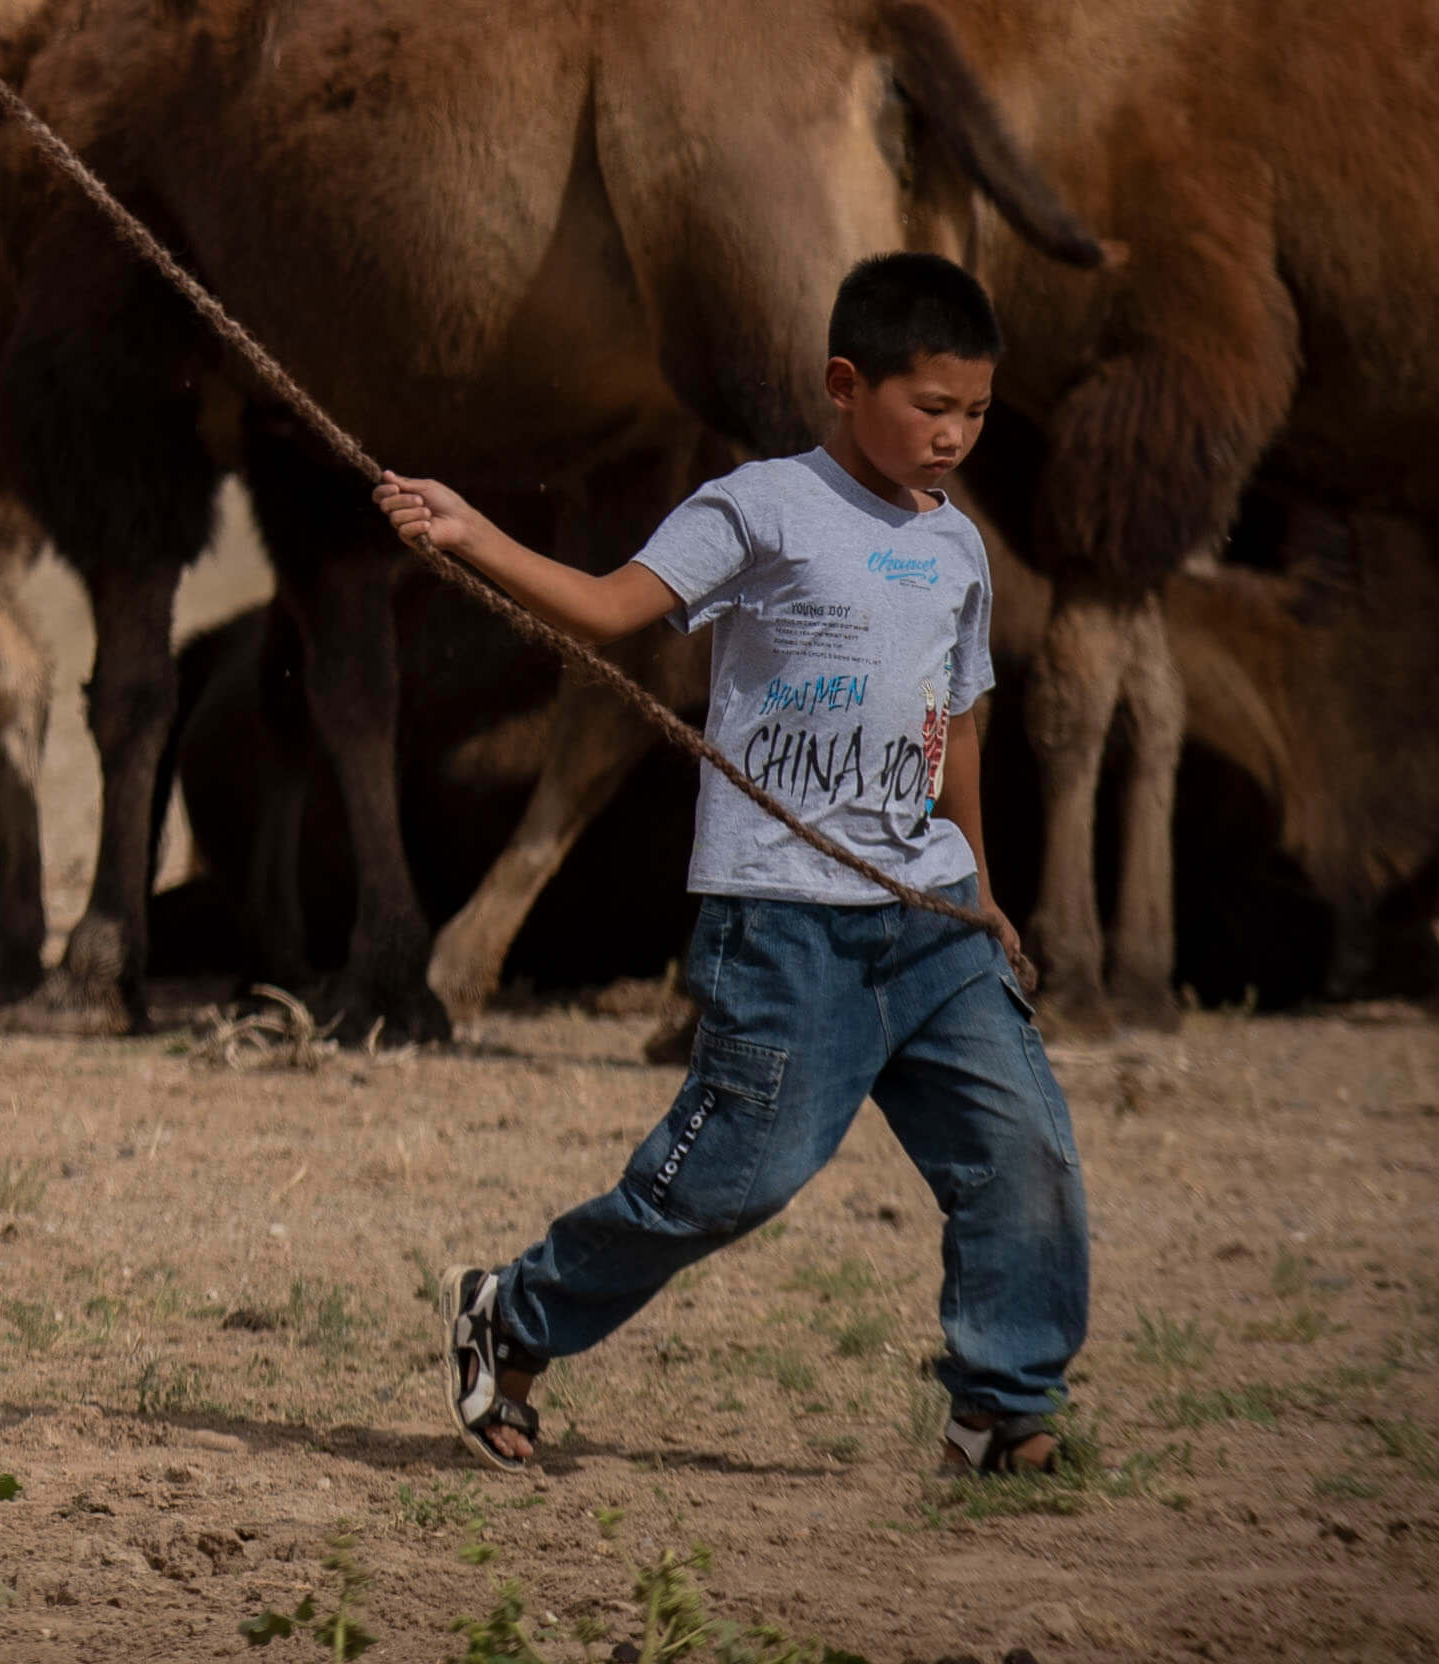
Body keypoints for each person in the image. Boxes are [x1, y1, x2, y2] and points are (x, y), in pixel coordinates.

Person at [385, 251, 1086, 1480]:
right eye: (931, 406)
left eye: (975, 412)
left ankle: (1001, 1406)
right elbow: (608, 607)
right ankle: (511, 1313)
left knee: (1022, 1152)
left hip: (929, 923)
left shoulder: (961, 551)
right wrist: (471, 532)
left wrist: (976, 885)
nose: (953, 436)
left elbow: (953, 722)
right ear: (841, 382)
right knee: (723, 1182)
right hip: (786, 924)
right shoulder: (756, 506)